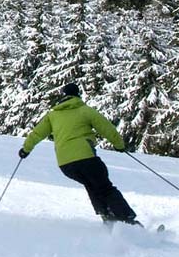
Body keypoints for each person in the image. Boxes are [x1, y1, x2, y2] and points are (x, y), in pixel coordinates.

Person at [18, 83, 138, 225]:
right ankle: (127, 220)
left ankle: (107, 217)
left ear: (63, 96)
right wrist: (119, 145)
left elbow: (37, 133)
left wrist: (25, 149)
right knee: (105, 187)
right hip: (86, 158)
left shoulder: (53, 115)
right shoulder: (84, 111)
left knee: (92, 186)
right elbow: (107, 128)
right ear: (78, 94)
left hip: (66, 165)